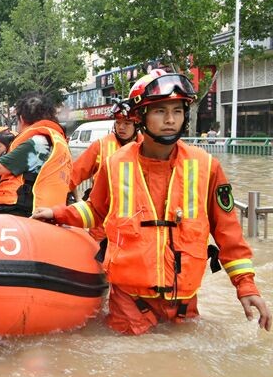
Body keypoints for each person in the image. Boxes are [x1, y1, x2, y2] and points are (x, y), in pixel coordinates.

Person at [32, 70, 270, 335]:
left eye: (177, 111)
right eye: (159, 111)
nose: (170, 120)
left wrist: (246, 286)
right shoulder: (115, 164)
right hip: (129, 303)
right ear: (141, 116)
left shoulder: (207, 167)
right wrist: (56, 213)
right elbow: (95, 210)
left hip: (184, 303)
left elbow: (228, 233)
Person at [67, 99, 141, 240]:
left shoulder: (146, 147)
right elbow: (74, 174)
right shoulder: (101, 146)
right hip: (102, 225)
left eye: (127, 123)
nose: (121, 127)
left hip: (135, 226)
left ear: (137, 124)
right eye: (118, 123)